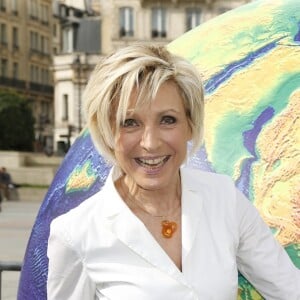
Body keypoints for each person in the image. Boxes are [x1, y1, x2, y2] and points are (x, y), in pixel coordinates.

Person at [47, 44, 300, 299]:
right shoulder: (76, 233)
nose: (150, 142)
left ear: (190, 125)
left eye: (167, 120)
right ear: (107, 132)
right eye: (130, 123)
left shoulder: (224, 199)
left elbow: (290, 289)